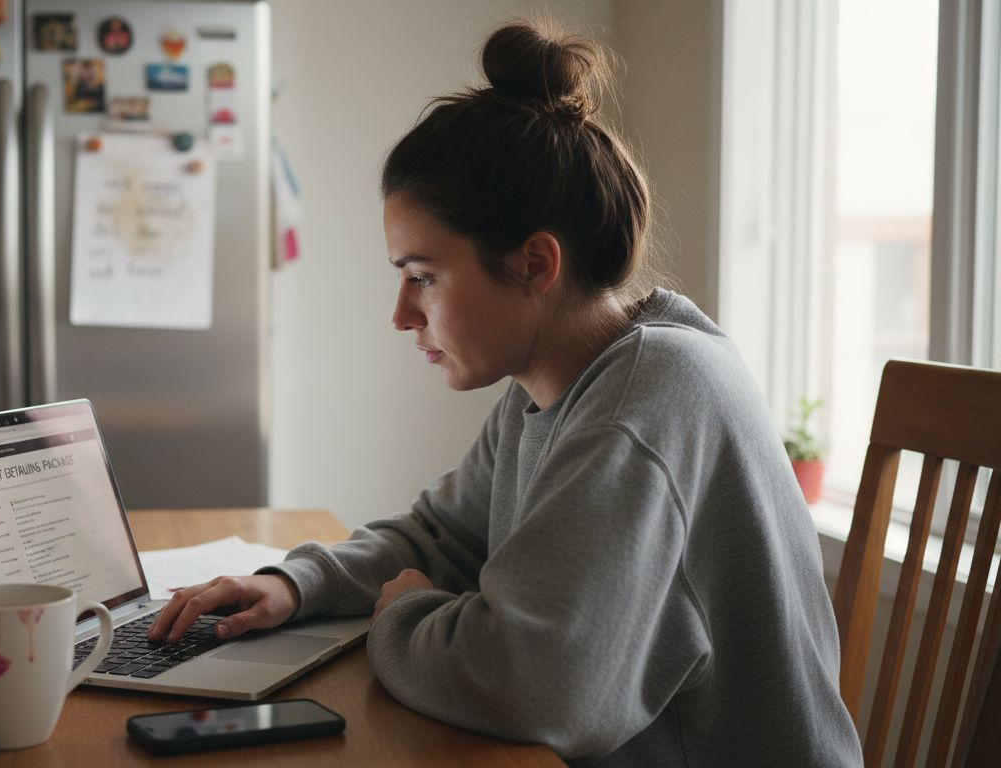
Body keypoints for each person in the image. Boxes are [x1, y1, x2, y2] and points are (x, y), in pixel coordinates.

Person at [148, 20, 862, 766]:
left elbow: (533, 687)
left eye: (422, 276)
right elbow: (442, 536)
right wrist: (294, 585)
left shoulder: (641, 400)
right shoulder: (558, 388)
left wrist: (405, 613)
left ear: (534, 264)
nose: (400, 314)